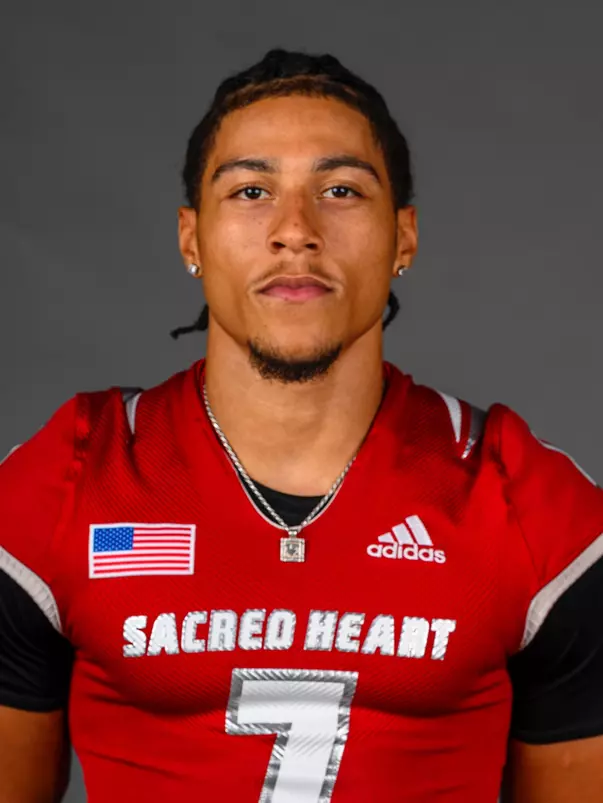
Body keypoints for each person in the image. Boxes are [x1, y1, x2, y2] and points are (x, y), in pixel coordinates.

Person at [0, 48, 602, 803]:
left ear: (403, 237)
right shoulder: (68, 479)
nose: (295, 230)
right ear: (190, 238)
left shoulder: (529, 504)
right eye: (251, 191)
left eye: (341, 189)